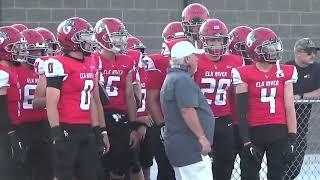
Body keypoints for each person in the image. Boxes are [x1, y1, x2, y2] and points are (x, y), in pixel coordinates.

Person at [232, 27, 298, 179]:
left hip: (279, 133)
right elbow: (241, 112)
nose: (275, 51)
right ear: (256, 49)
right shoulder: (244, 72)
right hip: (254, 133)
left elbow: (290, 108)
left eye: (275, 46)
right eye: (269, 47)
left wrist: (292, 138)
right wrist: (246, 141)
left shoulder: (285, 71)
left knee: (276, 175)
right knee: (249, 176)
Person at [44, 17, 105, 180]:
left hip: (86, 128)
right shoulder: (58, 63)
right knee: (64, 175)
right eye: (84, 37)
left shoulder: (91, 61)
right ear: (70, 40)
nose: (89, 41)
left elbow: (91, 100)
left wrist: (97, 129)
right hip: (66, 127)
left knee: (91, 174)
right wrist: (56, 132)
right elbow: (51, 103)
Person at [194, 18, 244, 180]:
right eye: (212, 40)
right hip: (200, 120)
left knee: (225, 164)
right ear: (203, 41)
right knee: (198, 164)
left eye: (219, 40)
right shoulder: (194, 60)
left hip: (224, 120)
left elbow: (235, 96)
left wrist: (237, 122)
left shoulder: (235, 61)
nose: (216, 45)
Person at [94, 17, 143, 180]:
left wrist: (133, 126)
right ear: (103, 37)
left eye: (121, 36)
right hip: (97, 115)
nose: (120, 40)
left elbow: (129, 95)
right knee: (96, 166)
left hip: (119, 116)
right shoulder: (93, 59)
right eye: (115, 36)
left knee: (120, 167)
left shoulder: (126, 60)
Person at [160, 40, 214, 180]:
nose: (197, 59)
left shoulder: (173, 77)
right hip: (190, 147)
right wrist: (202, 138)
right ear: (186, 59)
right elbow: (187, 110)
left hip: (181, 145)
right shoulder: (182, 79)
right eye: (194, 56)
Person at [14, 29, 53, 180]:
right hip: (22, 127)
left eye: (40, 51)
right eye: (33, 51)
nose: (37, 56)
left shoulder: (45, 70)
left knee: (46, 170)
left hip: (44, 126)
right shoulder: (14, 70)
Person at [283, 38, 320, 180]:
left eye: (314, 52)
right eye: (309, 52)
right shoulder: (288, 67)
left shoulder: (317, 69)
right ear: (298, 53)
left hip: (301, 127)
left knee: (295, 167)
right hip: (283, 125)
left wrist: (301, 96)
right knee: (281, 164)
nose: (313, 55)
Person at [0, 26, 28, 180]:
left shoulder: (10, 70)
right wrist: (10, 134)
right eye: (14, 48)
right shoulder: (2, 72)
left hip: (14, 127)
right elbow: (1, 107)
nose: (18, 51)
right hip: (4, 131)